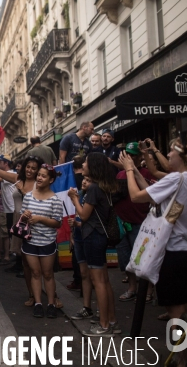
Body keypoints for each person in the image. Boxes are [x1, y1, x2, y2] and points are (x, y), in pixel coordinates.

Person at [119, 139, 187, 330]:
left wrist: (128, 170)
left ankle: (182, 357)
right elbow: (153, 197)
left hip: (171, 251)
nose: (168, 155)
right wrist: (136, 171)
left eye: (171, 151)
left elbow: (137, 197)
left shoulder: (175, 178)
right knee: (186, 304)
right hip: (185, 249)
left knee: (175, 312)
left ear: (182, 156)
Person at [68, 152, 120, 337]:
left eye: (86, 163)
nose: (83, 165)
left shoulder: (94, 189)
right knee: (104, 281)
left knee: (98, 281)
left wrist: (74, 198)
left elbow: (83, 215)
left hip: (93, 236)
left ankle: (104, 325)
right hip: (99, 236)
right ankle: (111, 320)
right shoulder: (103, 187)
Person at [20, 164, 63, 319]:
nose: (39, 178)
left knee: (47, 274)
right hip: (30, 241)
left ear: (51, 180)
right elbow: (22, 216)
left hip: (47, 242)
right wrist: (25, 215)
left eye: (43, 176)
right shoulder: (28, 196)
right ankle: (38, 303)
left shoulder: (55, 200)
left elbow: (58, 222)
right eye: (39, 175)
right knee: (36, 273)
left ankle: (51, 304)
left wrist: (41, 219)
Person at [114, 142, 155, 304]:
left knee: (144, 258)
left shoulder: (146, 174)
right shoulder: (120, 175)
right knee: (126, 259)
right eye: (127, 154)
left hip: (141, 223)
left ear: (139, 157)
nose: (130, 158)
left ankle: (148, 290)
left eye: (133, 155)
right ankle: (132, 288)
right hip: (122, 223)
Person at [68, 176, 95, 320]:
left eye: (88, 180)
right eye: (84, 179)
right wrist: (73, 231)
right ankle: (86, 307)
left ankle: (103, 313)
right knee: (83, 273)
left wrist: (78, 224)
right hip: (78, 237)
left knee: (95, 276)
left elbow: (86, 218)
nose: (84, 181)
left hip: (89, 238)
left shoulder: (93, 195)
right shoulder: (82, 195)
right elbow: (79, 215)